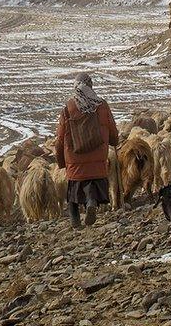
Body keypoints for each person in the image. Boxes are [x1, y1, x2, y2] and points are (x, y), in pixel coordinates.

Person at [54, 72, 119, 228]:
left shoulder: (68, 108)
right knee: (92, 183)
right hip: (98, 157)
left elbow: (60, 139)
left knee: (74, 189)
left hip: (74, 158)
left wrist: (61, 161)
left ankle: (75, 220)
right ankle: (91, 202)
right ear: (90, 86)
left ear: (76, 87)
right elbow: (112, 130)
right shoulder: (102, 105)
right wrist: (114, 141)